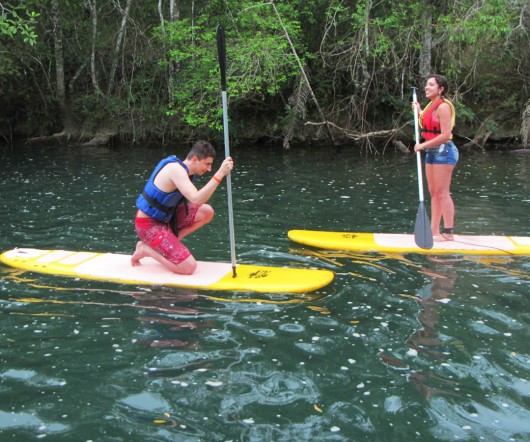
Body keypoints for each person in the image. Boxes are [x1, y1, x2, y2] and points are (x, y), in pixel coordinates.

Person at [131, 140, 234, 274]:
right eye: (207, 164)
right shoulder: (176, 170)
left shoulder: (185, 171)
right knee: (188, 267)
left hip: (166, 220)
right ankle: (145, 249)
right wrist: (220, 174)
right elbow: (196, 200)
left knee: (207, 212)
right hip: (148, 225)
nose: (209, 169)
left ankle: (166, 243)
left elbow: (199, 203)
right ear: (195, 159)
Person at [413, 74, 459, 242]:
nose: (427, 87)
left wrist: (423, 146)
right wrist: (418, 111)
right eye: (426, 84)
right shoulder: (430, 106)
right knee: (434, 192)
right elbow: (427, 123)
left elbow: (446, 134)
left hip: (444, 151)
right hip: (432, 152)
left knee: (442, 192)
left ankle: (448, 233)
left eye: (431, 85)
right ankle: (434, 230)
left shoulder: (444, 107)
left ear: (441, 89)